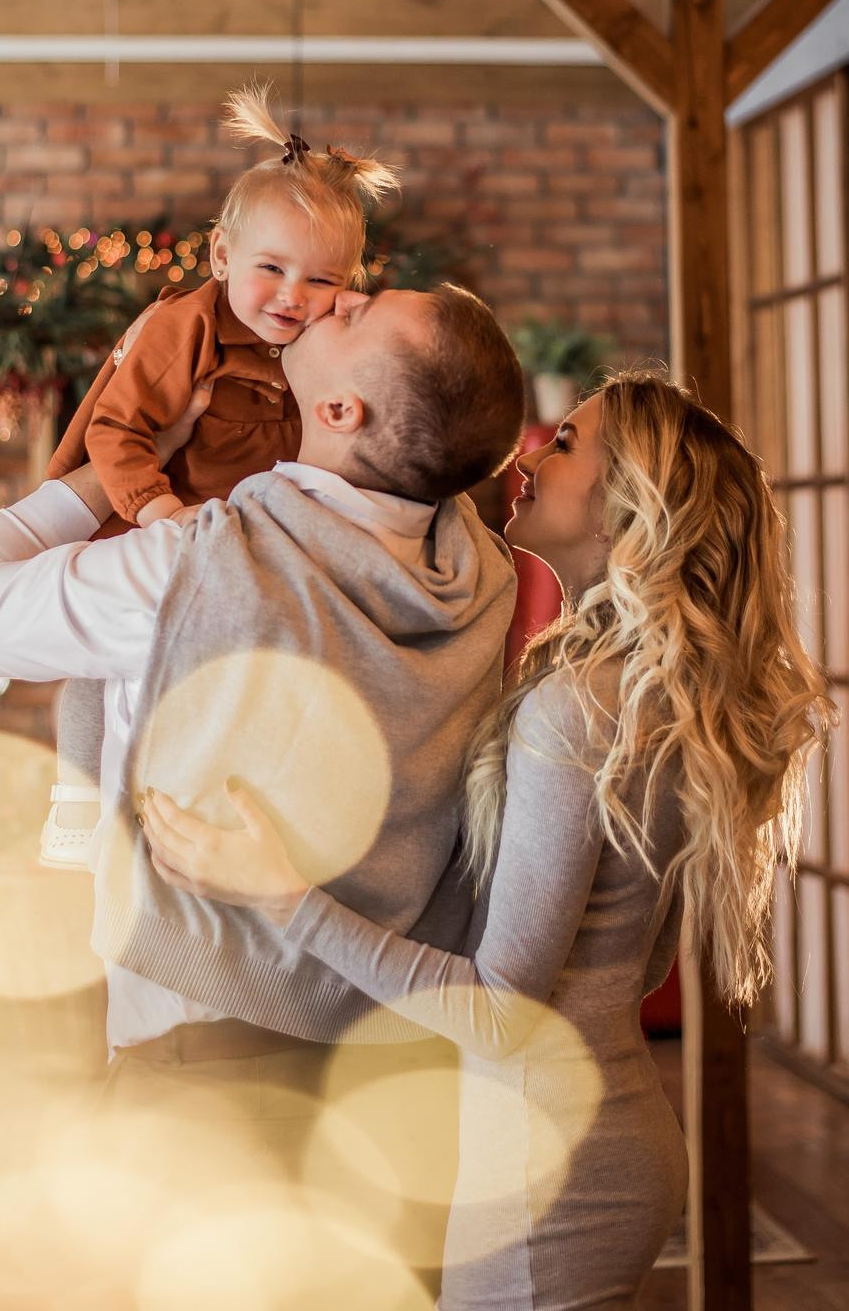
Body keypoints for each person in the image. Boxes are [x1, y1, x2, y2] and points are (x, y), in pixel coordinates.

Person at [139, 371, 832, 1309]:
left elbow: (505, 1013)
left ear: (627, 503)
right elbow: (629, 962)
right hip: (589, 1138)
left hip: (551, 1173)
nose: (531, 456)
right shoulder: (634, 695)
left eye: (566, 444)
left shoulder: (579, 709)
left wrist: (281, 894)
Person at [0, 278, 525, 1293]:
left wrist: (107, 474)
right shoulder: (482, 576)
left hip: (210, 1084)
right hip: (398, 1077)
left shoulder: (196, 567)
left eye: (358, 313)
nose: (338, 296)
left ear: (341, 412)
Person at [40, 82, 399, 868]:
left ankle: (198, 804)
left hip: (234, 541)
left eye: (323, 280)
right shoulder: (186, 328)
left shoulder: (319, 343)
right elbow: (115, 428)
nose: (293, 296)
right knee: (107, 667)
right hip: (153, 521)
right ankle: (77, 803)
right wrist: (157, 510)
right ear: (223, 256)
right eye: (272, 267)